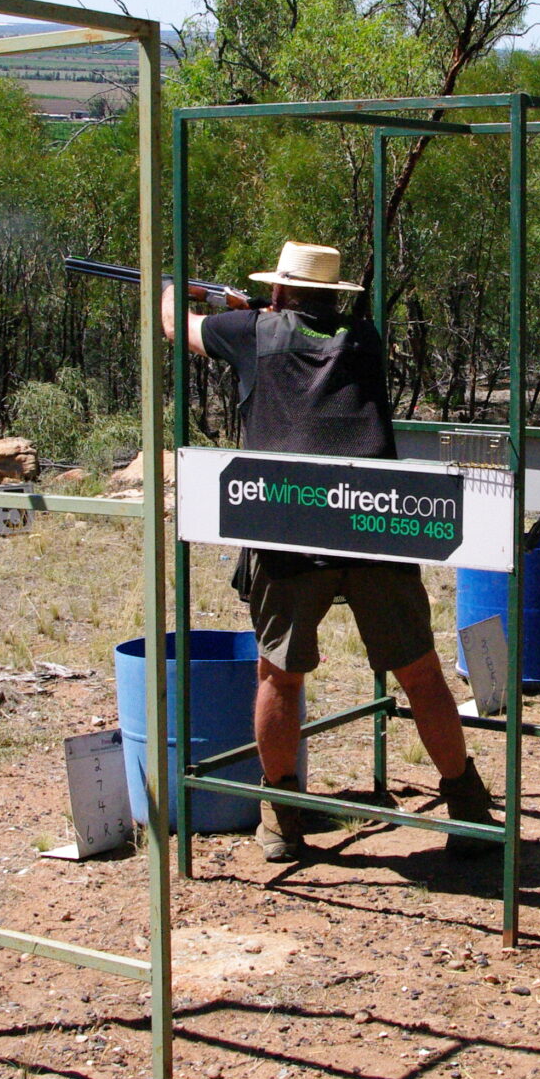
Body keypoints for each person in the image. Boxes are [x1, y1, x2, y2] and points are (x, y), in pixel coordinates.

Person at [164, 240, 496, 864]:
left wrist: (172, 291)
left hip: (285, 522)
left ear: (281, 291)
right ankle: (468, 804)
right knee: (420, 673)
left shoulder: (250, 331)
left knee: (279, 675)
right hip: (374, 521)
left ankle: (281, 820)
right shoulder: (364, 337)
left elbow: (174, 328)